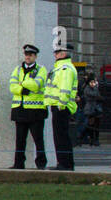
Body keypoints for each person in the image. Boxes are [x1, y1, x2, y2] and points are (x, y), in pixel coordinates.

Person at [9, 45, 48, 170]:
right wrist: (23, 88)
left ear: (35, 56)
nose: (28, 57)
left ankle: (41, 164)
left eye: (30, 55)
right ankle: (18, 164)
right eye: (26, 54)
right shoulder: (18, 70)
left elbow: (36, 85)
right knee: (20, 140)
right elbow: (12, 87)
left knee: (38, 139)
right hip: (20, 109)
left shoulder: (41, 69)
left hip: (35, 110)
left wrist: (21, 83)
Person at [45, 43, 78, 171]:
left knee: (61, 137)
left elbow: (65, 89)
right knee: (61, 136)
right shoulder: (61, 68)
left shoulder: (65, 69)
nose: (55, 55)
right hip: (59, 106)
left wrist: (61, 105)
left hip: (61, 107)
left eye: (57, 53)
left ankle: (64, 164)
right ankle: (65, 163)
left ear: (63, 54)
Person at [80, 75, 101, 146]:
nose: (93, 83)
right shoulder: (87, 89)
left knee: (96, 124)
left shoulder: (94, 88)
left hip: (95, 109)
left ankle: (95, 139)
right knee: (90, 124)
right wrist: (95, 87)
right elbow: (94, 94)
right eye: (92, 82)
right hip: (89, 109)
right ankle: (85, 137)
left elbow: (98, 95)